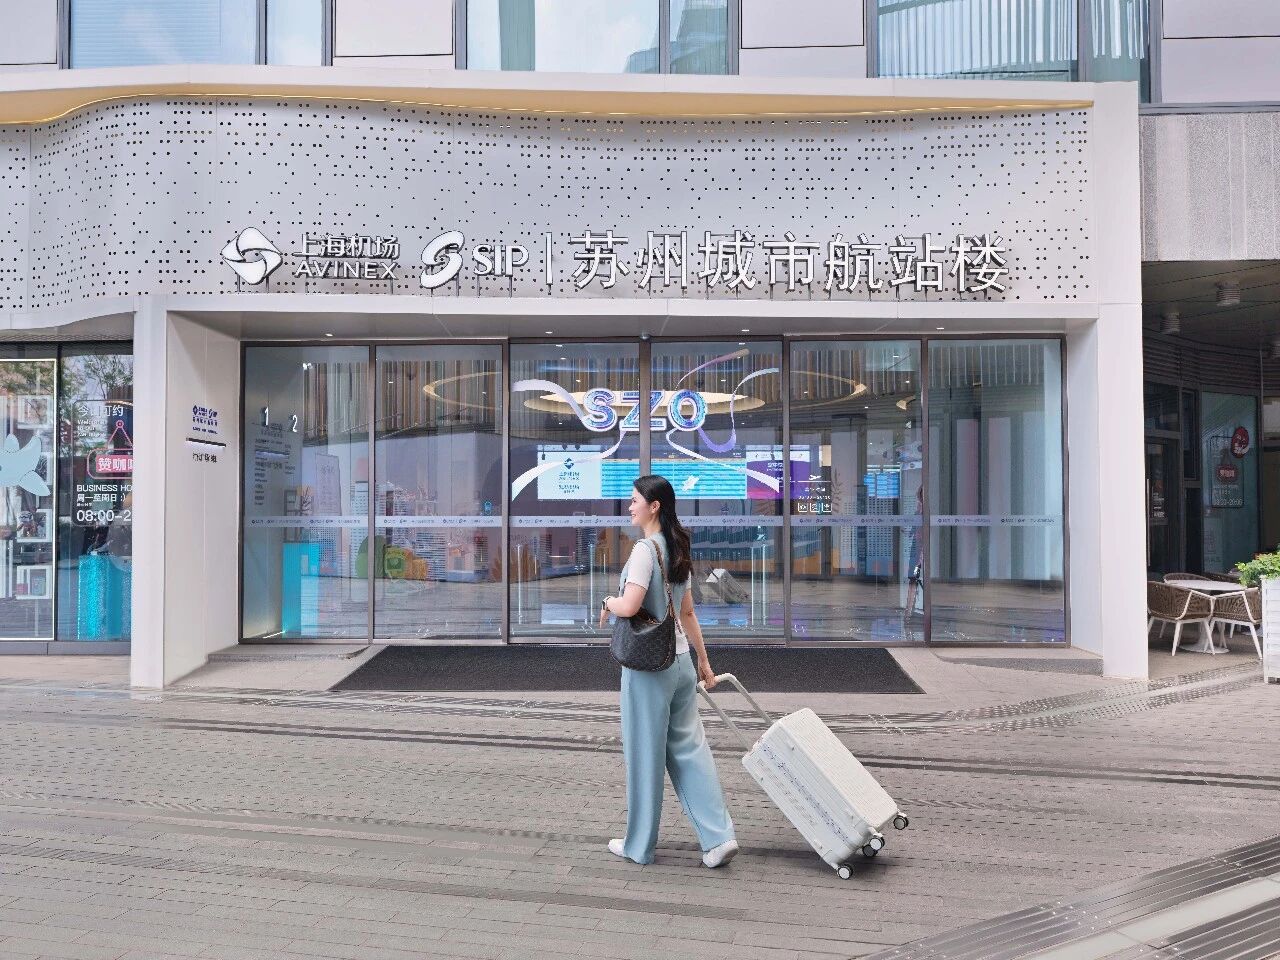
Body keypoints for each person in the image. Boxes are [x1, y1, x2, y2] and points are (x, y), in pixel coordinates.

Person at [598, 475, 739, 868]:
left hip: (649, 668)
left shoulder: (645, 550)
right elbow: (688, 612)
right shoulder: (677, 547)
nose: (630, 507)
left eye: (634, 501)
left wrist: (608, 601)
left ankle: (639, 846)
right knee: (692, 751)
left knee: (644, 757)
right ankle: (719, 838)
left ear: (654, 506)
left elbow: (630, 605)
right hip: (680, 664)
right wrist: (703, 661)